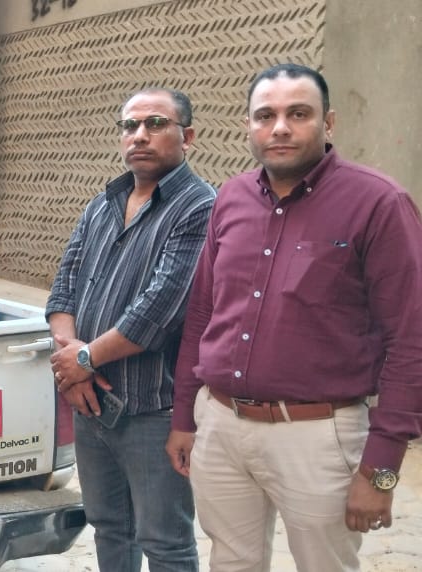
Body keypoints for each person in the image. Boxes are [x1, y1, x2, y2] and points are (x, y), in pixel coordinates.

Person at [166, 63, 422, 571]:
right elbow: (202, 314)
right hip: (220, 425)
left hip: (318, 436)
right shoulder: (231, 198)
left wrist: (382, 470)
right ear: (248, 126)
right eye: (265, 115)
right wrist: (184, 419)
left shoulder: (379, 203)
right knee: (230, 563)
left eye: (298, 114)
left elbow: (411, 340)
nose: (280, 127)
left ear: (329, 123)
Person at [46, 87, 215, 572]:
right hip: (91, 404)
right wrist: (72, 367)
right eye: (130, 125)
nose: (140, 135)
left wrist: (81, 361)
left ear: (188, 137)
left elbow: (157, 313)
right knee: (110, 528)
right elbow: (64, 288)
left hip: (152, 408)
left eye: (156, 124)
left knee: (164, 541)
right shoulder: (103, 204)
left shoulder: (200, 208)